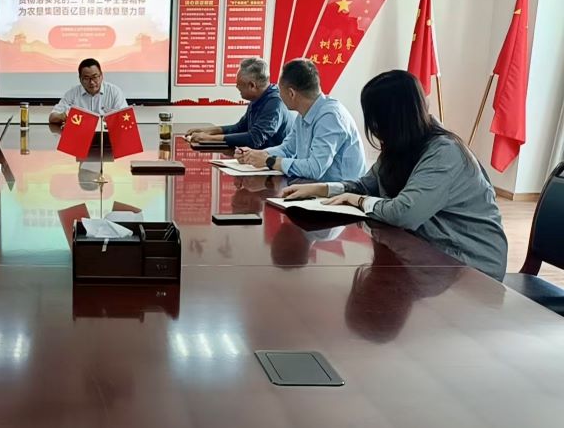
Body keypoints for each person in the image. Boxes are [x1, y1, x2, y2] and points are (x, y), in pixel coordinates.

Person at [283, 70, 508, 280]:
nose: (373, 127)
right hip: (427, 251)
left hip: (468, 266)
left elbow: (405, 213)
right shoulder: (403, 144)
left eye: (374, 118)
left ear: (390, 119)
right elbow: (368, 184)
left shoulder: (444, 153)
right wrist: (321, 189)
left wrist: (359, 201)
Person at [237, 58, 365, 182]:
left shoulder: (331, 117)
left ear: (291, 93)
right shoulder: (304, 114)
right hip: (316, 187)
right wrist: (254, 155)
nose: (278, 95)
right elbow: (287, 149)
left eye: (279, 90)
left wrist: (269, 161)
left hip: (342, 192)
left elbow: (315, 169)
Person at [186, 57, 292, 148]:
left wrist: (209, 139)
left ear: (252, 85)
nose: (236, 87)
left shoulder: (275, 103)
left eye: (239, 84)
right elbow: (240, 128)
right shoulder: (258, 98)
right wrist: (207, 131)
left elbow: (255, 138)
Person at [49, 58, 128, 124]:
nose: (92, 82)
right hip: (80, 134)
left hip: (108, 134)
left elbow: (125, 117)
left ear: (101, 76)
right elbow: (52, 117)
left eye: (95, 77)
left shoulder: (114, 92)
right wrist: (65, 116)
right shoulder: (72, 94)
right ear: (80, 79)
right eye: (86, 78)